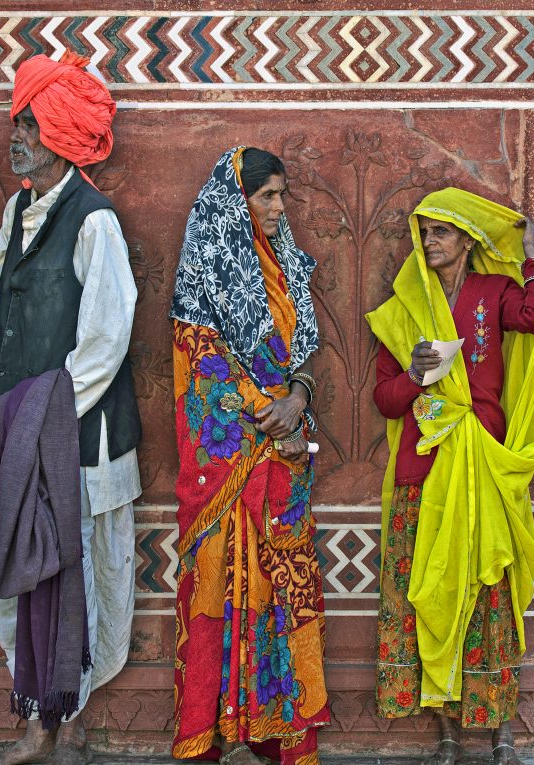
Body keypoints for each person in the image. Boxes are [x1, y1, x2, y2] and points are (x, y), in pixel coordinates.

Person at [0, 52, 142, 765]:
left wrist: (44, 416)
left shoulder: (95, 222)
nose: (16, 136)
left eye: (30, 125)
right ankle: (41, 702)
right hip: (17, 436)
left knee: (85, 580)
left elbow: (106, 338)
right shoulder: (17, 210)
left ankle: (63, 724)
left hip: (78, 439)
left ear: (63, 136)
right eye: (16, 122)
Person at [366, 188, 534, 765]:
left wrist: (532, 256)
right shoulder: (404, 306)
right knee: (428, 597)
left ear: (468, 240)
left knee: (486, 597)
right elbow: (384, 398)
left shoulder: (493, 293)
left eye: (441, 232)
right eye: (424, 233)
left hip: (481, 463)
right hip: (422, 471)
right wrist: (418, 377)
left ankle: (499, 732)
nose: (430, 243)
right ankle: (446, 733)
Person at [170, 147, 331, 765]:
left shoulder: (286, 264)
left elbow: (301, 359)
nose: (278, 207)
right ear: (238, 201)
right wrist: (273, 417)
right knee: (221, 585)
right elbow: (201, 367)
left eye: (282, 196)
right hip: (234, 462)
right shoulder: (202, 273)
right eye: (267, 195)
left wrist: (299, 396)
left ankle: (276, 731)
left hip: (283, 462)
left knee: (284, 587)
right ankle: (213, 733)